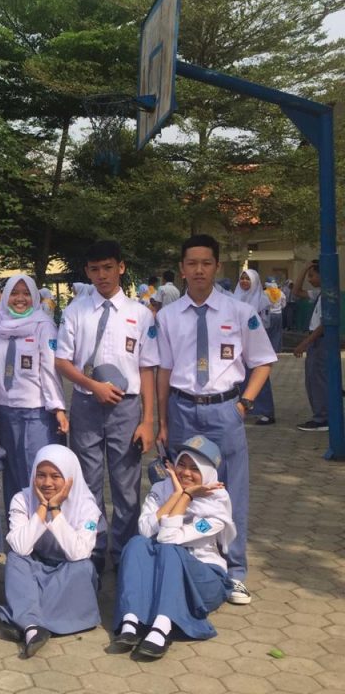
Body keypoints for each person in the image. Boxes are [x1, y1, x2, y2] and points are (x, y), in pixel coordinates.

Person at [156, 234, 276, 605]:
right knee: (183, 486)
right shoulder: (167, 316)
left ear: (217, 266)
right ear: (182, 269)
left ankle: (235, 571)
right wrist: (162, 421)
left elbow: (263, 362)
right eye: (192, 264)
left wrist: (244, 404)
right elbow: (163, 371)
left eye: (206, 263)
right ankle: (191, 562)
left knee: (232, 489)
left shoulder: (239, 312)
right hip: (182, 409)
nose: (199, 270)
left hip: (225, 410)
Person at [55, 241, 158, 574]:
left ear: (121, 268)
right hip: (86, 405)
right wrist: (93, 386)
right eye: (95, 269)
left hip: (125, 409)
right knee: (88, 482)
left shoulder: (140, 314)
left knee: (126, 485)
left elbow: (147, 368)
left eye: (109, 268)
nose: (102, 275)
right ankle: (94, 547)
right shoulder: (75, 312)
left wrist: (148, 421)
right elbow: (62, 361)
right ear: (87, 272)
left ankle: (125, 552)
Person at [114, 435, 234, 659]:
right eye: (182, 464)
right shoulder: (162, 489)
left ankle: (163, 627)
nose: (186, 473)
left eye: (195, 468)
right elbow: (146, 530)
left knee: (170, 550)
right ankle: (130, 621)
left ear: (208, 472)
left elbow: (168, 537)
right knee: (136, 544)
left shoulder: (217, 504)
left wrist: (186, 497)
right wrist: (175, 495)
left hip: (203, 581)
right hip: (163, 575)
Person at [0, 445, 101, 659]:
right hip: (35, 567)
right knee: (15, 559)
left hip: (67, 570)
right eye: (41, 475)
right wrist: (42, 508)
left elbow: (79, 553)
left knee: (84, 567)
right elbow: (21, 546)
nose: (47, 483)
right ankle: (34, 626)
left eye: (56, 476)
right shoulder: (22, 499)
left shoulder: (87, 506)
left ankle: (25, 619)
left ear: (70, 478)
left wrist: (55, 510)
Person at [0, 274, 67, 508]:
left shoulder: (43, 325)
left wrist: (58, 408)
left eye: (26, 293)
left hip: (36, 412)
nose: (20, 298)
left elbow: (50, 370)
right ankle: (17, 524)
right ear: (5, 296)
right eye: (14, 293)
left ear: (34, 296)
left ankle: (42, 523)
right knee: (12, 472)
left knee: (38, 471)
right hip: (5, 411)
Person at [233, 269, 276, 426]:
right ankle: (245, 408)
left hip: (256, 342)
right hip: (238, 343)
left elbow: (265, 323)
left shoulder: (262, 300)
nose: (244, 281)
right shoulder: (234, 298)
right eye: (242, 278)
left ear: (255, 281)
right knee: (241, 377)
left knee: (259, 377)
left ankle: (266, 411)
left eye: (248, 279)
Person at [293, 260, 327, 432]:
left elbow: (323, 326)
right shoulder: (319, 293)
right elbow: (296, 291)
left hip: (319, 341)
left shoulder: (328, 296)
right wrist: (305, 268)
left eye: (312, 276)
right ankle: (320, 415)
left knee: (318, 380)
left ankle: (323, 418)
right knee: (312, 380)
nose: (309, 279)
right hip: (315, 341)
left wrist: (304, 344)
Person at [263, 277, 286, 353]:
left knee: (267, 333)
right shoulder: (280, 293)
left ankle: (268, 351)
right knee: (277, 333)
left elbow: (262, 305)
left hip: (268, 315)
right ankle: (276, 350)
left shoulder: (264, 293)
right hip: (279, 315)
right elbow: (284, 305)